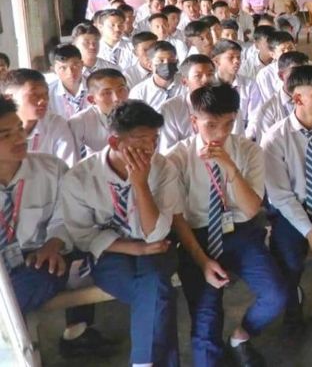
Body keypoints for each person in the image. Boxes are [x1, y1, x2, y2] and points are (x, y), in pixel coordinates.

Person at [166, 84, 285, 367]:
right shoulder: (176, 158)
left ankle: (242, 334)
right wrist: (202, 260)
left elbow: (251, 208)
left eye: (229, 124)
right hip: (197, 237)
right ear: (194, 122)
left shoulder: (249, 151)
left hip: (240, 232)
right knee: (206, 320)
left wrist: (231, 169)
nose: (220, 133)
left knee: (276, 295)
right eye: (211, 125)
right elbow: (178, 217)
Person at [62, 100, 182, 367]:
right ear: (115, 143)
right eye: (140, 140)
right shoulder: (80, 177)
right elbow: (83, 236)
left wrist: (140, 184)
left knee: (155, 288)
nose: (150, 148)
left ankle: (142, 362)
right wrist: (134, 249)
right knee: (158, 295)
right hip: (111, 253)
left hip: (156, 248)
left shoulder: (163, 168)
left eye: (154, 139)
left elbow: (155, 234)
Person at [0, 95, 118, 358]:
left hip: (38, 260)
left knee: (45, 274)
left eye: (19, 129)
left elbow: (68, 215)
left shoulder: (50, 168)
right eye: (5, 135)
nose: (19, 139)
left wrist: (54, 243)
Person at [261, 65, 312, 334]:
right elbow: (280, 195)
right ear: (297, 98)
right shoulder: (275, 139)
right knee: (287, 258)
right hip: (291, 210)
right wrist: (310, 233)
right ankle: (293, 303)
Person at [2, 69, 79, 167]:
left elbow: (69, 168)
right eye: (34, 95)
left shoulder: (55, 124)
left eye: (46, 94)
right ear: (9, 97)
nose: (43, 101)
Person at [246, 51, 311, 142]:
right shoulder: (268, 110)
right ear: (281, 76)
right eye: (295, 72)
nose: (302, 77)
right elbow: (266, 147)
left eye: (305, 72)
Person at [157, 55, 216, 153]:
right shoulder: (170, 108)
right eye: (198, 76)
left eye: (210, 74)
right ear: (184, 81)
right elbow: (167, 151)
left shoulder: (226, 104)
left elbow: (235, 141)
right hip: (184, 164)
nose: (206, 80)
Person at [69, 69, 130, 159]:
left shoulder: (140, 113)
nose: (116, 98)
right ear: (91, 99)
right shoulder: (80, 122)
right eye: (107, 93)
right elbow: (72, 159)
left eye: (121, 90)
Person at [213, 40, 262, 137]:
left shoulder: (250, 85)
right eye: (231, 57)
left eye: (238, 58)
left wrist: (243, 141)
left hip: (243, 138)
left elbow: (255, 118)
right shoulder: (209, 85)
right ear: (217, 61)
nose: (237, 61)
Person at [129, 41, 184, 106]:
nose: (166, 63)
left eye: (171, 59)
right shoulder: (139, 93)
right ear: (150, 65)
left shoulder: (187, 83)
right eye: (161, 60)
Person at [48, 44, 88, 119]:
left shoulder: (97, 87)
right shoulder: (48, 94)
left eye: (75, 65)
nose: (70, 72)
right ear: (53, 70)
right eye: (63, 68)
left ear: (82, 64)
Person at [255, 31, 296, 100]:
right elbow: (268, 102)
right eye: (283, 50)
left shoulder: (308, 65)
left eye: (291, 48)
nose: (288, 53)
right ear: (272, 55)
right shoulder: (265, 75)